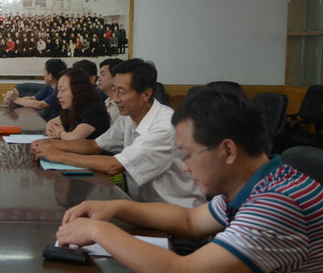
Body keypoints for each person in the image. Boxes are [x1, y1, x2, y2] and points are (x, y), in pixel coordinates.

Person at [57, 88, 323, 273]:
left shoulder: (278, 203)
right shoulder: (257, 183)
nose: (184, 167)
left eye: (187, 155)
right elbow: (189, 220)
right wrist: (115, 208)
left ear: (228, 151)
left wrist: (99, 231)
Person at [32, 59, 203, 208]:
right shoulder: (129, 117)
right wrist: (50, 143)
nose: (114, 99)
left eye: (121, 92)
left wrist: (59, 156)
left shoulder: (164, 126)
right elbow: (94, 145)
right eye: (114, 90)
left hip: (178, 212)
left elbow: (114, 166)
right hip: (144, 205)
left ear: (146, 94)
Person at [44, 68, 109, 141]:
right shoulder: (74, 108)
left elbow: (73, 138)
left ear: (78, 90)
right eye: (58, 91)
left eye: (62, 90)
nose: (58, 96)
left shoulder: (94, 111)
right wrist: (50, 127)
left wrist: (59, 133)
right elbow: (52, 122)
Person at [97, 57, 123, 123]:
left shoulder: (123, 106)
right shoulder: (106, 102)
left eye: (102, 74)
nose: (99, 79)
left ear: (116, 76)